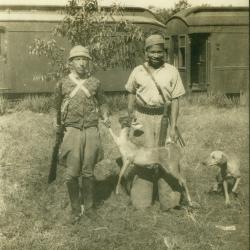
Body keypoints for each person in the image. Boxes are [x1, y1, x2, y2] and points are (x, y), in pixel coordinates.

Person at [124, 34, 186, 210]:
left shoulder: (172, 71)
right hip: (142, 118)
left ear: (164, 52)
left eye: (159, 51)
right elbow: (130, 93)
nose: (156, 55)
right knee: (143, 158)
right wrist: (131, 116)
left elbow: (175, 100)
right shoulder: (137, 71)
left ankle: (169, 200)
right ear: (146, 52)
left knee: (166, 158)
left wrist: (173, 127)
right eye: (152, 51)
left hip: (163, 119)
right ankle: (141, 199)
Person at [54, 45, 110, 224]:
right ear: (70, 63)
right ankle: (75, 209)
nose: (81, 63)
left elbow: (103, 102)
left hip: (91, 129)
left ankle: (90, 208)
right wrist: (54, 122)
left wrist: (106, 114)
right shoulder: (62, 83)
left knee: (88, 171)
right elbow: (54, 106)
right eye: (77, 59)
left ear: (89, 62)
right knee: (71, 173)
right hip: (71, 130)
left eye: (84, 59)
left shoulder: (95, 82)